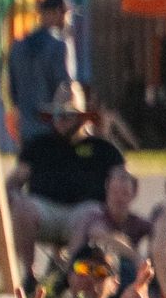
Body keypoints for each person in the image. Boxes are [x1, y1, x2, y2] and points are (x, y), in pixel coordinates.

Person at [7, 82, 126, 258]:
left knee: (88, 214)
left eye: (67, 114)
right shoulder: (39, 146)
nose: (61, 119)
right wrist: (14, 198)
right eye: (57, 114)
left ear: (82, 117)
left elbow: (124, 182)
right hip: (46, 212)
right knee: (23, 207)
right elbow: (13, 182)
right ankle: (28, 275)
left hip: (87, 214)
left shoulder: (104, 149)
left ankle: (71, 273)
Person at [4, 0, 76, 147]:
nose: (67, 20)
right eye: (66, 15)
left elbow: (12, 89)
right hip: (51, 128)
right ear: (58, 12)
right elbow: (64, 87)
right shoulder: (59, 46)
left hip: (26, 128)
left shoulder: (18, 46)